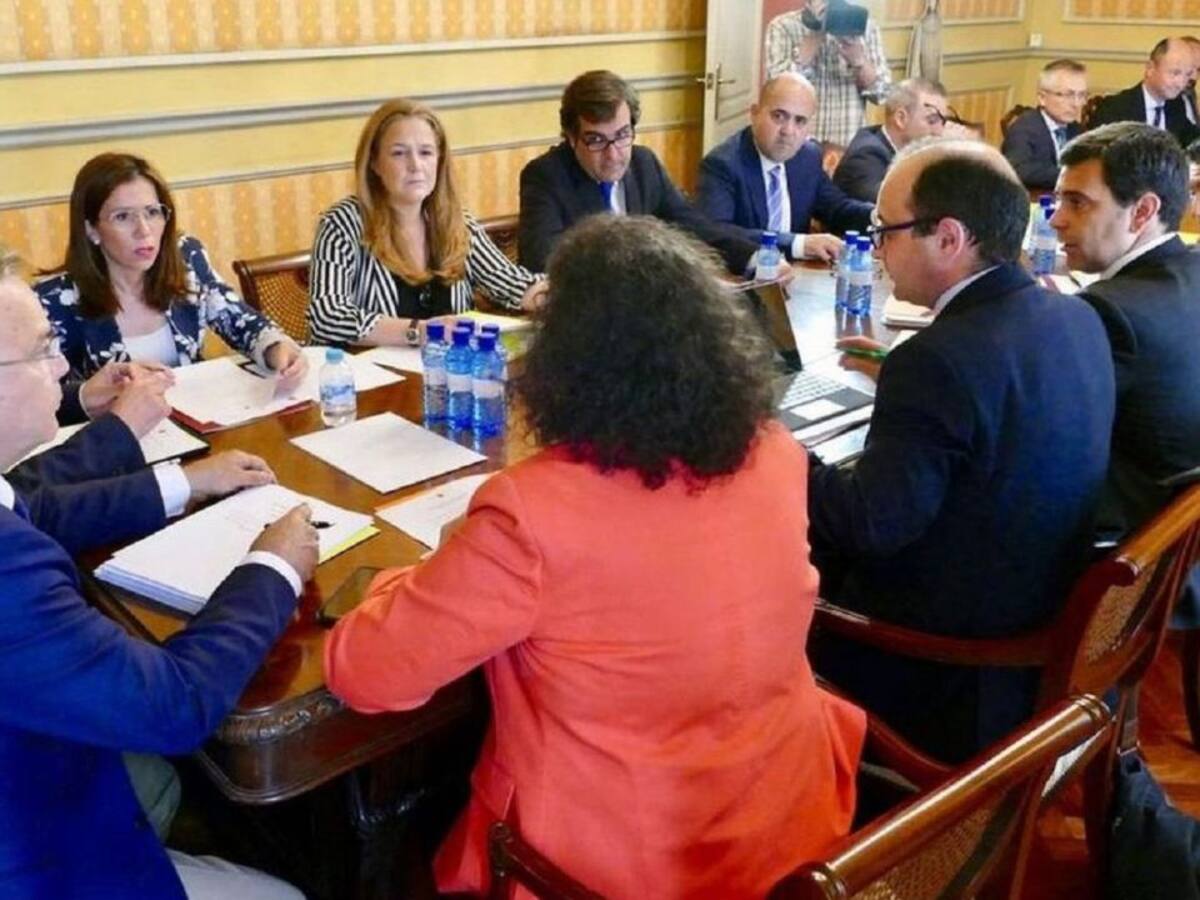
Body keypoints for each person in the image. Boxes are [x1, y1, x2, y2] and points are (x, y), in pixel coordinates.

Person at [326, 216, 865, 898]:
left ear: (564, 364)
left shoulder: (530, 513)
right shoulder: (775, 453)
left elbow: (363, 673)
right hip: (792, 828)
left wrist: (413, 573)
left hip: (610, 867)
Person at [0, 244, 317, 899]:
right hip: (41, 852)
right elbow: (174, 705)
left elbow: (33, 501)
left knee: (171, 779)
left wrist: (183, 481)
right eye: (41, 351)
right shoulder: (10, 572)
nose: (61, 367)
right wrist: (272, 567)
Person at [806, 139, 1115, 763]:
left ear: (948, 238)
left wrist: (784, 454)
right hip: (1041, 618)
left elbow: (871, 525)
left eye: (885, 230)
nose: (879, 249)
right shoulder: (1076, 317)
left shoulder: (937, 360)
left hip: (946, 663)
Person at [35, 153, 307, 425]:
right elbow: (35, 401)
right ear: (92, 229)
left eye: (152, 212)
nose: (144, 230)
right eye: (123, 217)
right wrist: (86, 394)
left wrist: (276, 349)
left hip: (196, 424)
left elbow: (238, 319)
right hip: (114, 438)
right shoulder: (53, 301)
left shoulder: (186, 258)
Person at [1050, 123, 1200, 540]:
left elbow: (1040, 433)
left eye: (1077, 203)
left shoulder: (1108, 311)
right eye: (1059, 200)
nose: (1057, 219)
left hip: (1118, 540)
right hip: (1179, 535)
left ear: (1143, 212)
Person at [308, 99, 546, 348]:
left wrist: (558, 295)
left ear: (439, 160)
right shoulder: (342, 224)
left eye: (426, 153)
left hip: (446, 366)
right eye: (399, 153)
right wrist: (420, 331)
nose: (415, 166)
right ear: (374, 163)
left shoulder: (457, 222)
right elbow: (326, 316)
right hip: (362, 369)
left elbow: (513, 284)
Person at [517, 69, 759, 275]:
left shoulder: (644, 164)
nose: (613, 155)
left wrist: (753, 258)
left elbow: (692, 226)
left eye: (622, 135)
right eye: (596, 140)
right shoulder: (546, 176)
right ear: (571, 137)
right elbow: (541, 260)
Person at [697, 73, 874, 263]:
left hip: (796, 273)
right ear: (755, 113)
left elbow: (836, 209)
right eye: (779, 116)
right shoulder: (723, 164)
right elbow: (716, 232)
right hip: (742, 273)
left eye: (800, 121)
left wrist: (876, 216)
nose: (788, 131)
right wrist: (797, 244)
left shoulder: (807, 156)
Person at [764, 0, 892, 147]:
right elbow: (776, 94)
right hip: (799, 145)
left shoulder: (865, 27)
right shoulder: (783, 26)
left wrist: (860, 61)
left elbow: (882, 95)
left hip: (848, 146)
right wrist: (815, 34)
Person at [833, 77, 949, 201]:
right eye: (932, 120)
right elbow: (894, 207)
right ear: (901, 119)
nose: (939, 132)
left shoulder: (908, 152)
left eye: (943, 122)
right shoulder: (867, 157)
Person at [1090, 38, 1200, 147]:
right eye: (1175, 73)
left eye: (1187, 75)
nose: (1180, 83)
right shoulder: (1115, 108)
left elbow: (1192, 140)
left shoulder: (1176, 105)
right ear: (1150, 68)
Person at [1001, 59, 1088, 191]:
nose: (1076, 104)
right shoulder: (1023, 129)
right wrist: (1072, 175)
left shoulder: (1076, 129)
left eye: (1082, 95)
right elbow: (1020, 171)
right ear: (1042, 98)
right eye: (1068, 95)